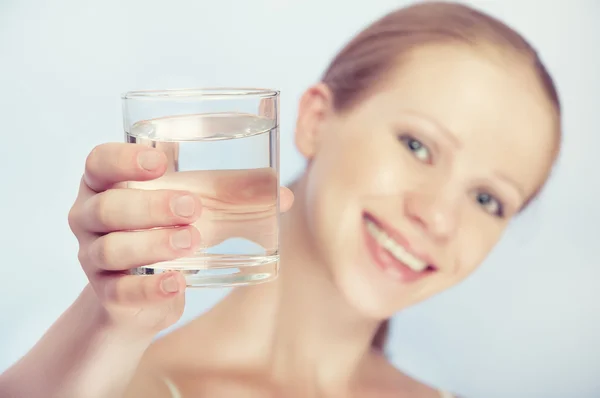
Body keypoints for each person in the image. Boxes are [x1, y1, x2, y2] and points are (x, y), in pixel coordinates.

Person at [0, 1, 561, 397]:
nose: (437, 217)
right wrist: (107, 323)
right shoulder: (114, 386)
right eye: (417, 145)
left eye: (488, 199)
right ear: (316, 120)